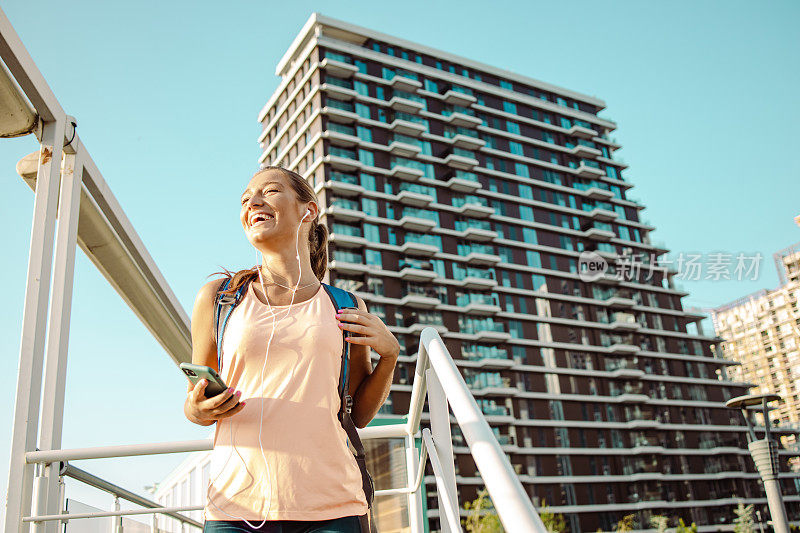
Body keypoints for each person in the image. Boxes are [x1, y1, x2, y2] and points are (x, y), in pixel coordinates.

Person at [184, 166, 400, 533]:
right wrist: (198, 406)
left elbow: (358, 415)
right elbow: (196, 404)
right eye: (245, 199)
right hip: (235, 506)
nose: (253, 201)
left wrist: (390, 356)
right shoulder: (218, 300)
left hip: (332, 506)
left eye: (268, 191)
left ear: (308, 210)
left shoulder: (345, 306)